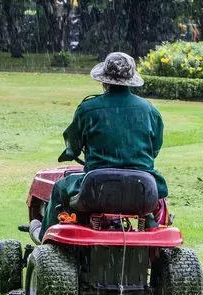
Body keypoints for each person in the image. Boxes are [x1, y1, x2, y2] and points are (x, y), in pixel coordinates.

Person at [32, 52, 167, 240]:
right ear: (131, 80)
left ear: (104, 81)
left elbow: (74, 144)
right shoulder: (150, 110)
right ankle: (152, 230)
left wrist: (72, 151)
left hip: (97, 188)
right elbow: (155, 148)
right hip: (143, 189)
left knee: (59, 188)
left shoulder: (89, 108)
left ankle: (46, 240)